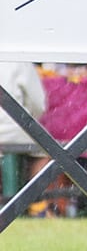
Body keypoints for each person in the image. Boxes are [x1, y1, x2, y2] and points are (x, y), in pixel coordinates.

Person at [0, 60, 48, 199]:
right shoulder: (20, 60)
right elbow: (38, 103)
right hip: (14, 125)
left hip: (10, 128)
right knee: (50, 151)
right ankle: (35, 203)